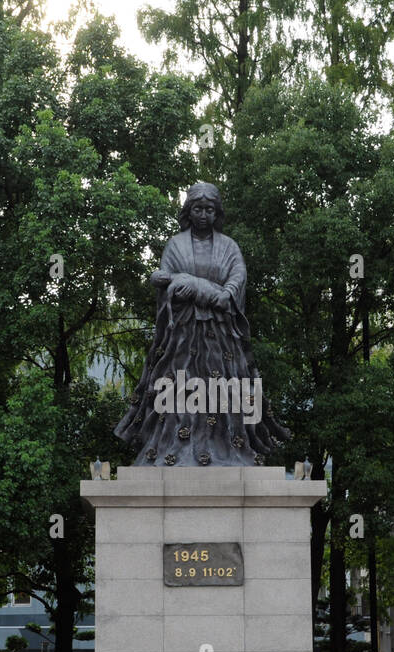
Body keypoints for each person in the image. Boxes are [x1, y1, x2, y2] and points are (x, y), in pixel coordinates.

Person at [115, 182, 289, 466]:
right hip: (182, 335)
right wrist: (171, 287)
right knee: (177, 388)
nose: (204, 215)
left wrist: (223, 294)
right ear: (189, 211)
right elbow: (165, 278)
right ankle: (172, 447)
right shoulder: (175, 245)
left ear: (217, 212)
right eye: (198, 208)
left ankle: (228, 445)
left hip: (220, 335)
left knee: (226, 388)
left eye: (209, 209)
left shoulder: (228, 246)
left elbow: (238, 277)